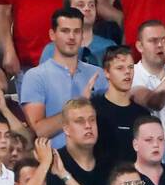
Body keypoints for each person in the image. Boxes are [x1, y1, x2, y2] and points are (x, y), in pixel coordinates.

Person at [20, 9, 108, 149]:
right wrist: (79, 105)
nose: (72, 37)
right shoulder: (35, 76)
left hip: (95, 159)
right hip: (55, 161)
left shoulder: (98, 74)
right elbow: (40, 130)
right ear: (52, 34)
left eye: (77, 31)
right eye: (65, 31)